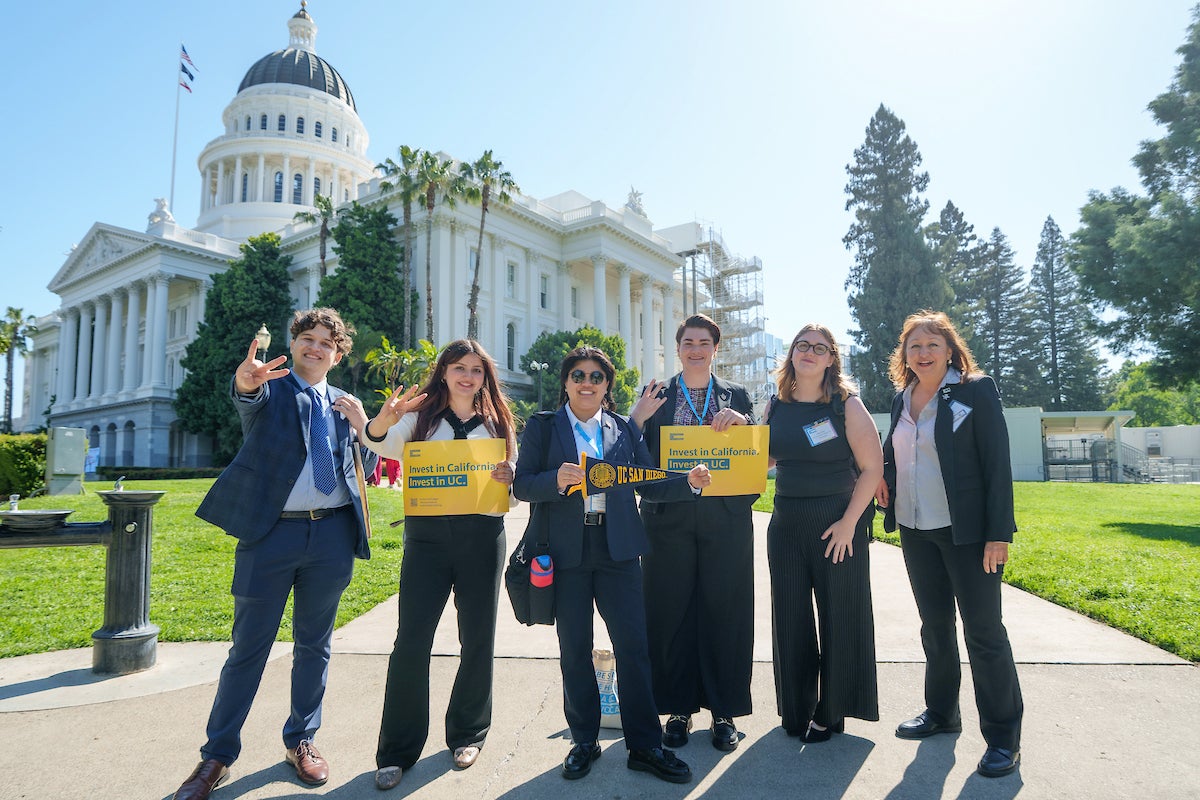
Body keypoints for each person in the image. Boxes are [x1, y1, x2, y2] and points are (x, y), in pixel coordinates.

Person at [172, 308, 375, 800]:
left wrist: (366, 426)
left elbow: (361, 468)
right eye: (308, 338)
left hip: (331, 538)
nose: (316, 347)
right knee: (248, 650)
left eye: (327, 342)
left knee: (315, 645)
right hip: (271, 537)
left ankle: (302, 740)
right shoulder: (272, 387)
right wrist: (247, 382)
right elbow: (249, 395)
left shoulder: (346, 403)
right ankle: (216, 755)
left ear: (338, 353)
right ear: (295, 342)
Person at [512, 346, 711, 784]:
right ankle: (584, 740)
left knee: (634, 648)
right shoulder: (544, 429)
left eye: (597, 377)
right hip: (566, 553)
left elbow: (647, 484)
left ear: (607, 387)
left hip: (618, 550)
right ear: (566, 382)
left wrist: (688, 484)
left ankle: (645, 745)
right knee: (575, 649)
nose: (587, 382)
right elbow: (523, 485)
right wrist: (554, 481)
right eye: (579, 375)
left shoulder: (621, 428)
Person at [361, 340, 517, 791]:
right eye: (458, 368)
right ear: (444, 372)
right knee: (411, 641)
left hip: (482, 537)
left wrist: (511, 473)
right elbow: (382, 446)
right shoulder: (420, 417)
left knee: (478, 637)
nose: (468, 376)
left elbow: (515, 474)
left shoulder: (497, 421)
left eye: (476, 370)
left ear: (485, 376)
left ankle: (469, 733)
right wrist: (382, 421)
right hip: (427, 539)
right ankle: (396, 750)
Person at [874, 310, 1023, 779]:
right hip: (916, 529)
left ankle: (1003, 739)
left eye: (932, 345)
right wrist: (886, 481)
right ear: (905, 354)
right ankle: (941, 713)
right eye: (914, 346)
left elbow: (997, 463)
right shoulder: (902, 399)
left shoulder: (975, 390)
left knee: (984, 633)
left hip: (969, 533)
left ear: (950, 349)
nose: (922, 353)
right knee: (934, 628)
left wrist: (999, 532)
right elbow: (898, 452)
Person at [632, 313, 756, 752]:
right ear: (678, 347)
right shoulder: (657, 394)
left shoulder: (737, 395)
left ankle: (724, 712)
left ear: (715, 349)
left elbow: (757, 456)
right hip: (668, 519)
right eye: (688, 342)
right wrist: (638, 419)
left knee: (726, 610)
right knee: (670, 611)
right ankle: (678, 709)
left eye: (704, 342)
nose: (696, 349)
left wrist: (742, 424)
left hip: (725, 519)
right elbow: (634, 457)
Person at [766, 324, 881, 742]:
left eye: (819, 348)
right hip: (785, 524)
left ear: (832, 358)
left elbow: (872, 469)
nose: (810, 352)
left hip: (837, 522)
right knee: (791, 618)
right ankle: (796, 709)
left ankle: (832, 710)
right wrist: (726, 442)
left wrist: (850, 523)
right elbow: (763, 460)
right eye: (802, 346)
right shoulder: (774, 406)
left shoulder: (846, 407)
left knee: (840, 614)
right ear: (792, 354)